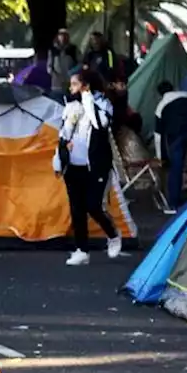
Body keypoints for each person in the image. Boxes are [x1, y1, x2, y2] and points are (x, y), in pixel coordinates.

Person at [57, 69, 122, 265]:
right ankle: (81, 250)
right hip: (74, 165)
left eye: (75, 84)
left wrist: (87, 100)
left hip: (96, 164)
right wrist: (59, 158)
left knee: (93, 205)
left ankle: (113, 234)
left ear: (86, 86)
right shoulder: (70, 106)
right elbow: (63, 134)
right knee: (77, 208)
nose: (71, 89)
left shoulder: (103, 104)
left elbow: (99, 124)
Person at [154, 80, 187, 209]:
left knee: (176, 168)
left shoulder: (161, 105)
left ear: (160, 94)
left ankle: (174, 203)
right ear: (174, 88)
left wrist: (161, 157)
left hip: (177, 136)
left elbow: (158, 135)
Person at [48, 29, 79, 95]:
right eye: (61, 35)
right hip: (56, 83)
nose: (63, 37)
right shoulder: (53, 50)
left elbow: (80, 63)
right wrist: (55, 75)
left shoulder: (73, 49)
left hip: (71, 82)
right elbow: (49, 66)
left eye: (65, 35)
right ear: (58, 37)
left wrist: (73, 72)